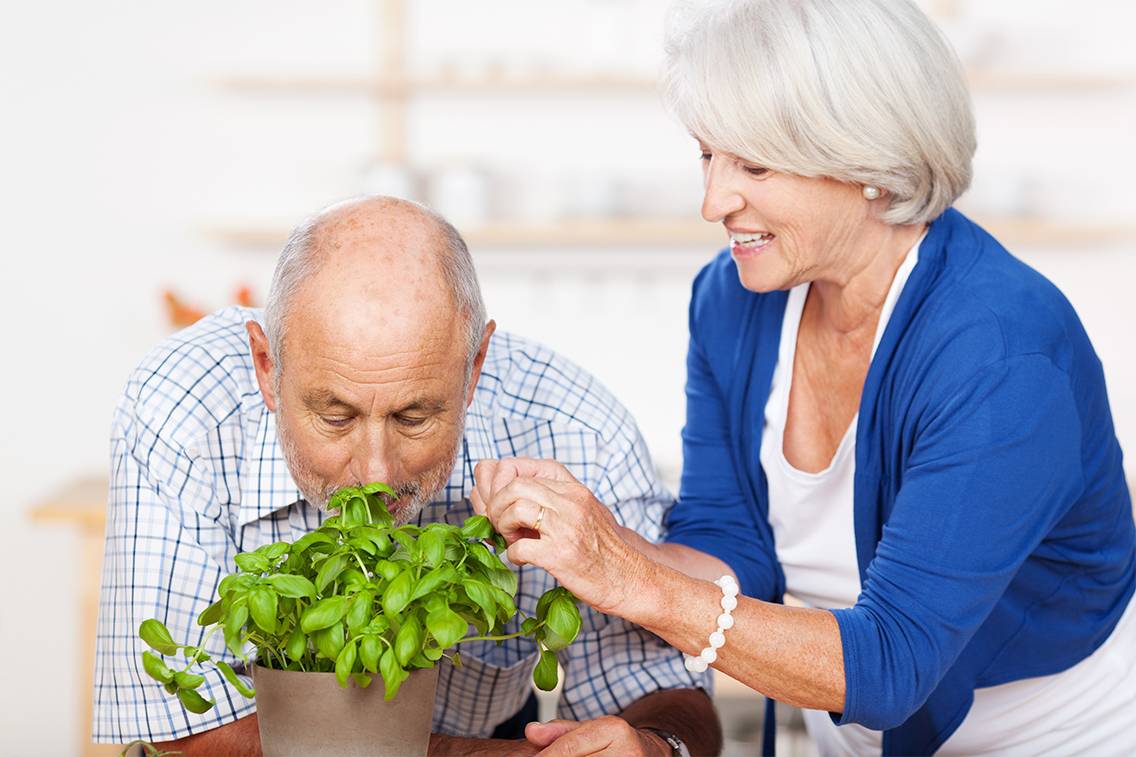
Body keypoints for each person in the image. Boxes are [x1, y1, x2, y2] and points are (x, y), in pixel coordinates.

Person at [470, 1, 1136, 755]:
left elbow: (892, 660)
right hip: (849, 737)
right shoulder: (731, 301)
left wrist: (638, 581)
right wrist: (587, 536)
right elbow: (733, 545)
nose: (713, 201)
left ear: (870, 169)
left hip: (1051, 739)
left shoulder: (1003, 354)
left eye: (753, 165)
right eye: (707, 156)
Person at [92, 195, 721, 757]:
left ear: (473, 369)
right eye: (334, 416)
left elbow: (667, 696)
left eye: (414, 416)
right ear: (266, 367)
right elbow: (187, 728)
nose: (375, 471)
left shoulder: (579, 433)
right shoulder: (183, 406)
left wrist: (654, 746)